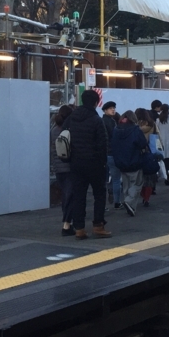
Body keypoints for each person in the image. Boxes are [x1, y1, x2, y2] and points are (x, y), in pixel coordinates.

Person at [62, 91, 111, 239]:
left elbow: (63, 135)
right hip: (94, 163)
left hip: (76, 163)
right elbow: (103, 144)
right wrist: (103, 164)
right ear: (96, 103)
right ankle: (98, 226)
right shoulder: (96, 120)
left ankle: (79, 229)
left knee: (79, 196)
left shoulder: (72, 118)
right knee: (99, 194)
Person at [111, 111, 148, 217]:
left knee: (126, 185)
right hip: (134, 160)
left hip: (120, 162)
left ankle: (131, 207)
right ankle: (129, 201)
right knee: (137, 184)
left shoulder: (116, 129)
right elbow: (142, 144)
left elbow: (112, 144)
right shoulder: (136, 130)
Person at [50, 105, 75, 236]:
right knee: (70, 196)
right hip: (69, 166)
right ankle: (67, 224)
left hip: (58, 167)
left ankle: (67, 221)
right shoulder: (69, 129)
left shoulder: (54, 130)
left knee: (66, 195)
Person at [101, 101, 122, 209]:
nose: (113, 109)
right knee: (116, 179)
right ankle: (117, 202)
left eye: (114, 108)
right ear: (105, 110)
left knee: (103, 180)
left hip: (103, 154)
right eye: (110, 108)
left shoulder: (101, 121)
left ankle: (103, 203)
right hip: (112, 153)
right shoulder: (112, 122)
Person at [155, 104, 169, 186]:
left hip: (161, 141)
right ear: (168, 110)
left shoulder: (158, 120)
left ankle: (165, 176)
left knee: (164, 160)